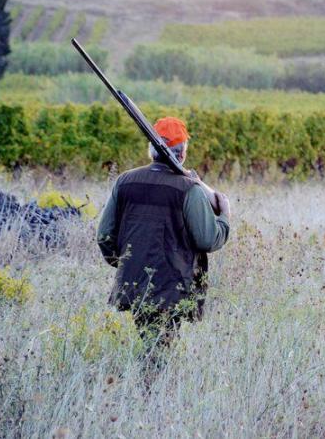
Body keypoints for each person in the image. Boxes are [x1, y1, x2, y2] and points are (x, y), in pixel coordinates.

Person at [96, 116, 230, 338]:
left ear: (152, 149)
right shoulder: (190, 190)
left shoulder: (125, 181)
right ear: (183, 153)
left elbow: (104, 235)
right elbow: (207, 239)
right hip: (172, 288)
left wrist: (125, 263)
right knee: (159, 349)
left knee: (151, 341)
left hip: (134, 281)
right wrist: (224, 216)